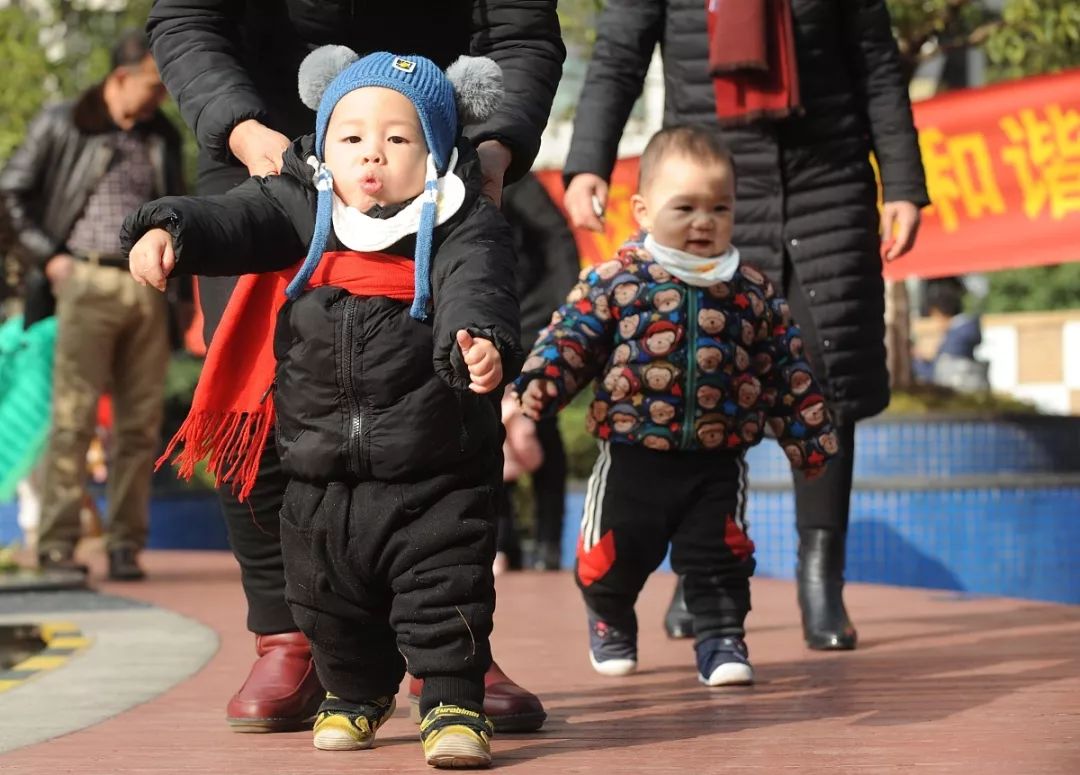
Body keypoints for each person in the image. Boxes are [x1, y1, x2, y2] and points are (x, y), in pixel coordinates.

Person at [145, 0, 563, 732]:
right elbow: (186, 19)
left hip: (428, 145)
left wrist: (494, 148)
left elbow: (523, 32)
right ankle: (291, 633)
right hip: (265, 145)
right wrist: (242, 136)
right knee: (261, 394)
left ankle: (448, 643)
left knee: (445, 398)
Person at [561, 0, 929, 650]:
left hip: (827, 183)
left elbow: (875, 62)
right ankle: (696, 572)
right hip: (708, 188)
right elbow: (620, 52)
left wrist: (901, 180)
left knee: (824, 378)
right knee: (696, 380)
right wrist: (588, 158)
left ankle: (822, 578)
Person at [515, 125, 836, 686]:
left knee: (720, 554)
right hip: (633, 456)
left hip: (718, 458)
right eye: (684, 207)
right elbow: (569, 342)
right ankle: (610, 617)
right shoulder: (616, 281)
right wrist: (529, 397)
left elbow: (788, 372)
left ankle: (722, 639)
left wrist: (810, 441)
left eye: (719, 207)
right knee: (614, 555)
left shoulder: (752, 292)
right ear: (642, 209)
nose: (703, 221)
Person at [0, 29, 183, 581]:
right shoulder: (63, 121)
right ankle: (57, 545)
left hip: (148, 288)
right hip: (81, 279)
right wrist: (50, 259)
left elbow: (177, 206)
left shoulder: (162, 136)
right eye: (153, 85)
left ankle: (125, 545)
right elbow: (10, 193)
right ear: (121, 77)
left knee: (138, 426)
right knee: (73, 417)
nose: (160, 97)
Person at [495, 173, 581, 572]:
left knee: (539, 425)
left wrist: (565, 312)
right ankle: (502, 543)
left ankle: (548, 544)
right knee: (485, 433)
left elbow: (556, 237)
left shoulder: (516, 178)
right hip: (475, 318)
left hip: (530, 321)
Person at [914, 277, 988, 392]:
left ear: (939, 312)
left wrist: (917, 361)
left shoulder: (956, 337)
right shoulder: (966, 330)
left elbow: (939, 373)